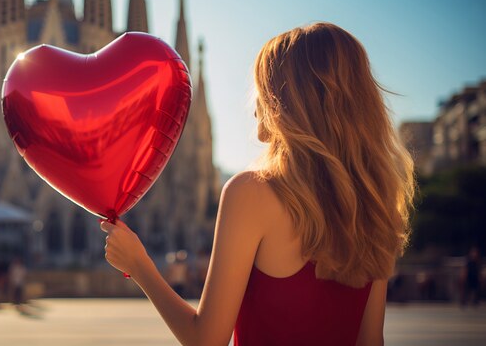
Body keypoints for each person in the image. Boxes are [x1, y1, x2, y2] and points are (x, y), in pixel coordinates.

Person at [101, 22, 415, 346]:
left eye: (264, 91)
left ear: (290, 102)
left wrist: (139, 266)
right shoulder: (378, 204)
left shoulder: (252, 192)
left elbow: (206, 339)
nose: (254, 109)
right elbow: (370, 340)